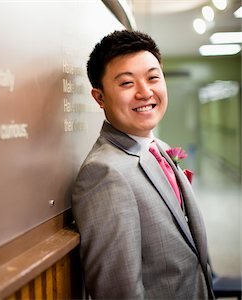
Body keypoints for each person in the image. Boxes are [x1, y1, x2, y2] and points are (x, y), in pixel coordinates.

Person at [71, 30, 214, 299]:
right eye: (127, 83)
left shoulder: (157, 147)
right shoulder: (104, 173)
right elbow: (118, 290)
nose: (145, 92)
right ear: (99, 97)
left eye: (153, 77)